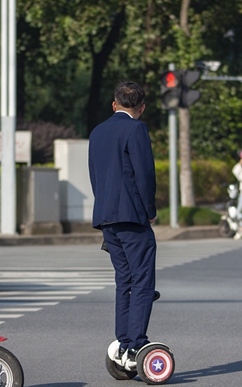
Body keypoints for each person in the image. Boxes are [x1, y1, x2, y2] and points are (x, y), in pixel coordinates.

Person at [88, 81, 157, 369]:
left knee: (124, 280)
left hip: (106, 216)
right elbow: (144, 174)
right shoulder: (136, 129)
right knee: (142, 280)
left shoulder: (98, 131)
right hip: (131, 216)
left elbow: (95, 174)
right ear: (141, 108)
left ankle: (123, 340)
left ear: (114, 104)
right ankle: (135, 343)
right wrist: (150, 210)